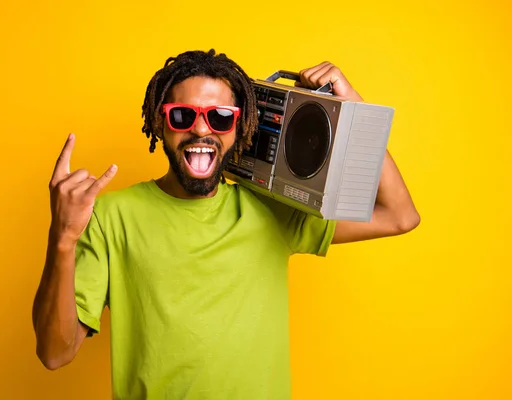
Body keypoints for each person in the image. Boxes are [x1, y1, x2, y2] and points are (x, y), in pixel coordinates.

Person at [32, 49, 420, 399]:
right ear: (159, 122)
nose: (202, 130)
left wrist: (353, 109)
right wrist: (62, 238)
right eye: (183, 116)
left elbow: (400, 215)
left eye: (220, 118)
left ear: (241, 127)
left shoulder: (272, 210)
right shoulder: (108, 217)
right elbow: (55, 352)